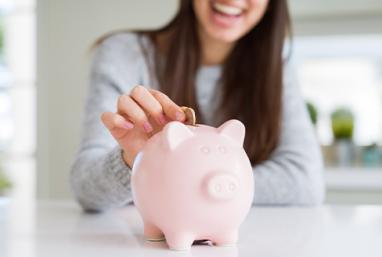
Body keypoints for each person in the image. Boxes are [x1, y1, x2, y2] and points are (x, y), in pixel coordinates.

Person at [70, 0, 325, 212]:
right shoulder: (124, 53)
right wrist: (132, 161)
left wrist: (176, 177)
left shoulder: (275, 68)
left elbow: (305, 182)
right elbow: (86, 189)